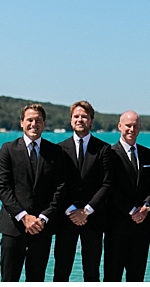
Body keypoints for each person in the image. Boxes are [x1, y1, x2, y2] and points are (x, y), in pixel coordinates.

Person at [0, 104, 68, 282]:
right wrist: (24, 216)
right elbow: (2, 187)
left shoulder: (55, 152)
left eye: (38, 120)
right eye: (30, 120)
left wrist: (43, 218)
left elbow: (60, 188)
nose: (34, 124)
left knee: (36, 279)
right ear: (22, 123)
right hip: (13, 226)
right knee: (9, 279)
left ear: (44, 124)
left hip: (42, 228)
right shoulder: (8, 150)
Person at [53, 100, 111, 282]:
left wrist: (86, 211)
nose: (80, 120)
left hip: (93, 219)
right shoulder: (59, 149)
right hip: (65, 218)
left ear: (91, 121)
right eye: (76, 116)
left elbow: (106, 184)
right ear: (71, 120)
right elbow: (57, 184)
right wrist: (71, 211)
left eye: (84, 117)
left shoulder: (103, 149)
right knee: (61, 271)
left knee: (92, 273)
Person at [102, 111, 150, 282]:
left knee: (137, 277)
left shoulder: (148, 154)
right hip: (117, 225)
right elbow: (109, 188)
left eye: (135, 126)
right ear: (120, 126)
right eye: (128, 125)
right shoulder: (109, 153)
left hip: (142, 226)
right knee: (113, 276)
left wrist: (147, 207)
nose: (131, 129)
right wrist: (132, 210)